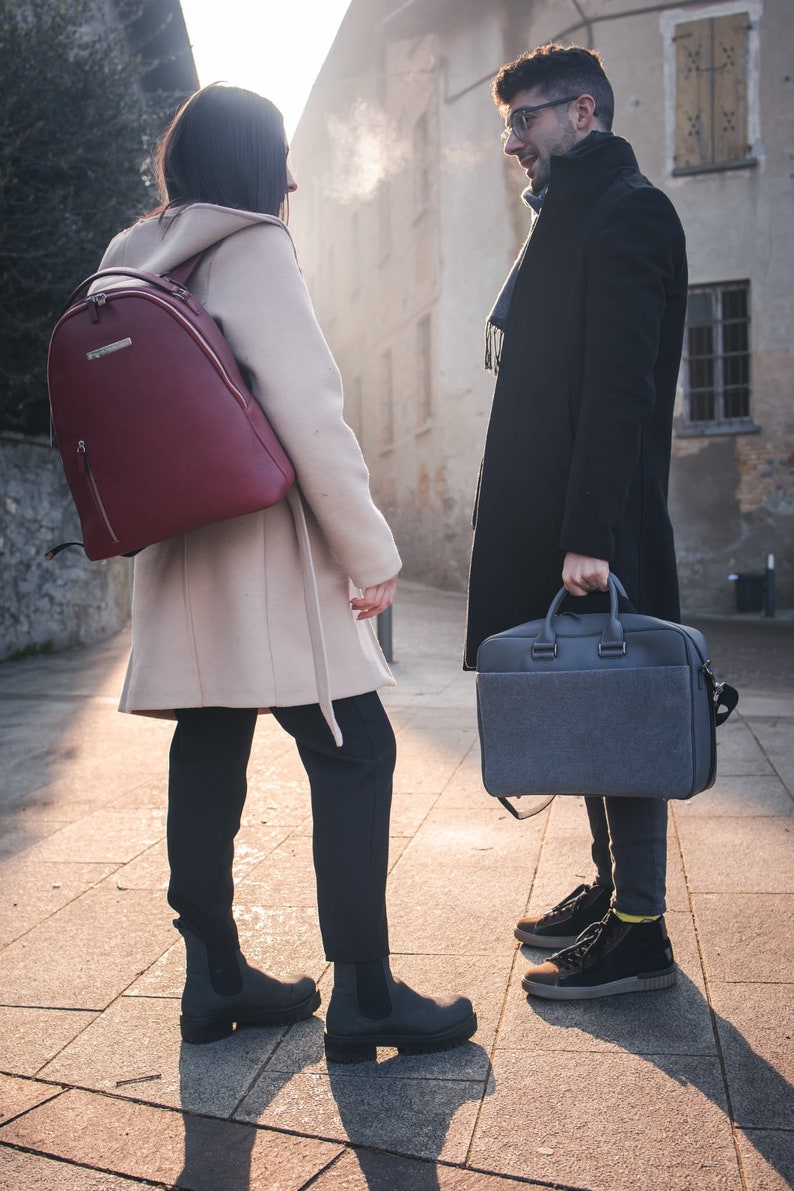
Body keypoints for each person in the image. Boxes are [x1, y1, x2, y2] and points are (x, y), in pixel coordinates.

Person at [99, 83, 476, 1060]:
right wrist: (370, 549)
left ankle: (213, 978)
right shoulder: (252, 245)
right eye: (279, 157)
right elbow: (308, 410)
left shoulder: (129, 257)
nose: (294, 177)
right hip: (266, 554)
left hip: (183, 554)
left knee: (208, 750)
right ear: (254, 166)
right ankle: (364, 996)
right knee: (358, 753)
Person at [465, 45, 688, 999]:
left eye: (528, 120)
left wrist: (589, 534)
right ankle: (610, 895)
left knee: (624, 705)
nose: (513, 141)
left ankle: (639, 929)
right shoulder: (568, 214)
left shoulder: (628, 212)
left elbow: (619, 389)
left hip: (597, 523)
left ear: (584, 114)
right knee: (594, 706)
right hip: (561, 515)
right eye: (507, 124)